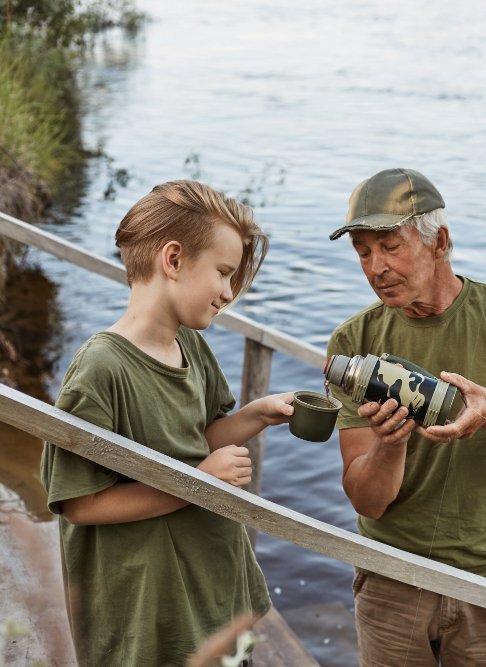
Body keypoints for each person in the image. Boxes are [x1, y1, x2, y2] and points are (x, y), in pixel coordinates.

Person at [40, 180, 294, 666]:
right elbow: (79, 502)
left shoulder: (191, 345)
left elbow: (194, 442)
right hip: (147, 603)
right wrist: (197, 484)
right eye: (222, 272)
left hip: (209, 579)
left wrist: (255, 415)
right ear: (173, 260)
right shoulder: (100, 369)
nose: (227, 293)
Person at [326, 167, 486, 666]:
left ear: (439, 242)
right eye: (363, 253)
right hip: (391, 575)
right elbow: (369, 503)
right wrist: (389, 444)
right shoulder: (354, 345)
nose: (376, 268)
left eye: (390, 246)